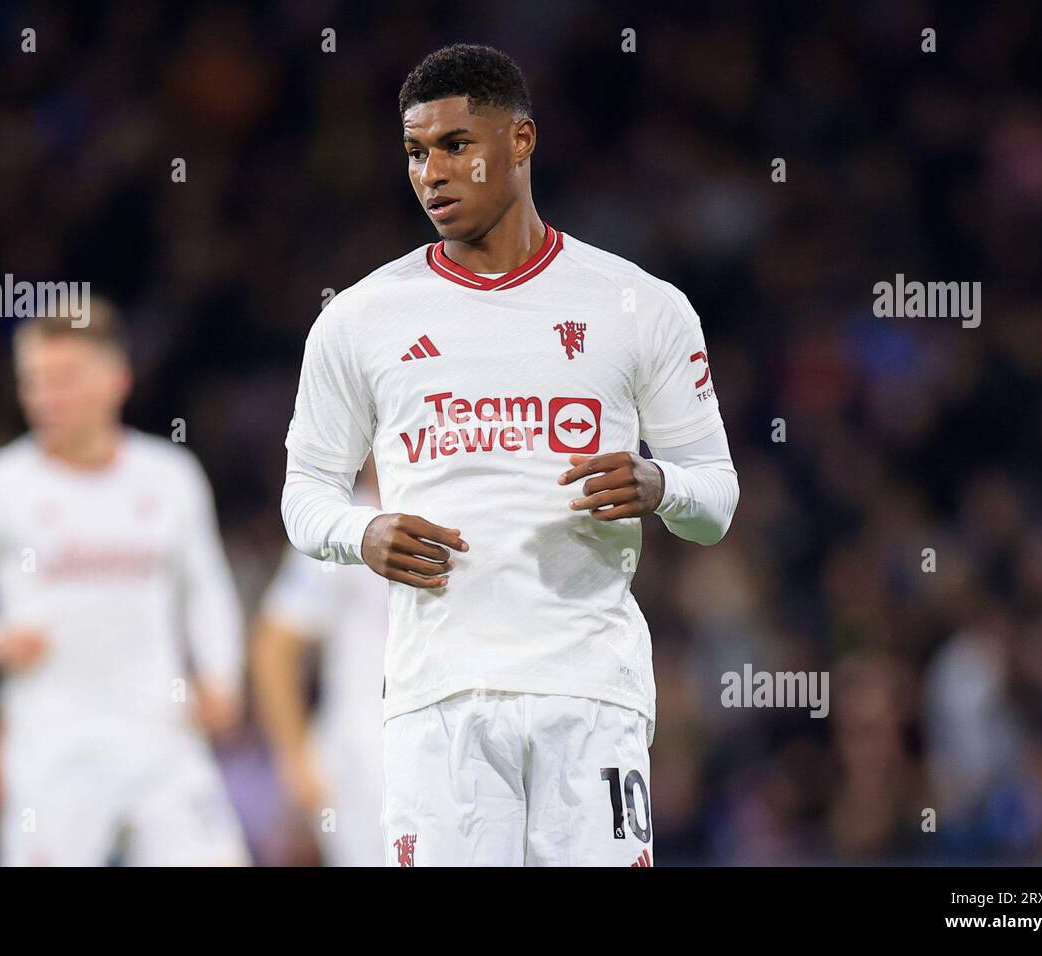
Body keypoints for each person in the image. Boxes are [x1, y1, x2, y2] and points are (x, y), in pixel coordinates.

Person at [280, 44, 739, 866]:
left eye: (457, 145)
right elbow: (306, 493)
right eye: (417, 153)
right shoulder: (359, 320)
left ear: (521, 140)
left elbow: (717, 502)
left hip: (592, 691)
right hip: (437, 700)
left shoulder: (640, 306)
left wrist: (658, 482)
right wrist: (363, 532)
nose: (432, 173)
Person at [0, 301, 249, 866]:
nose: (45, 397)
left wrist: (221, 675)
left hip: (161, 733)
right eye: (32, 381)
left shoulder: (170, 477)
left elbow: (206, 588)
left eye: (63, 379)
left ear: (117, 378)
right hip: (54, 745)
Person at [254, 460, 388, 867]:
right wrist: (295, 759)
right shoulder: (347, 526)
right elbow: (273, 644)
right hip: (364, 759)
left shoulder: (464, 515)